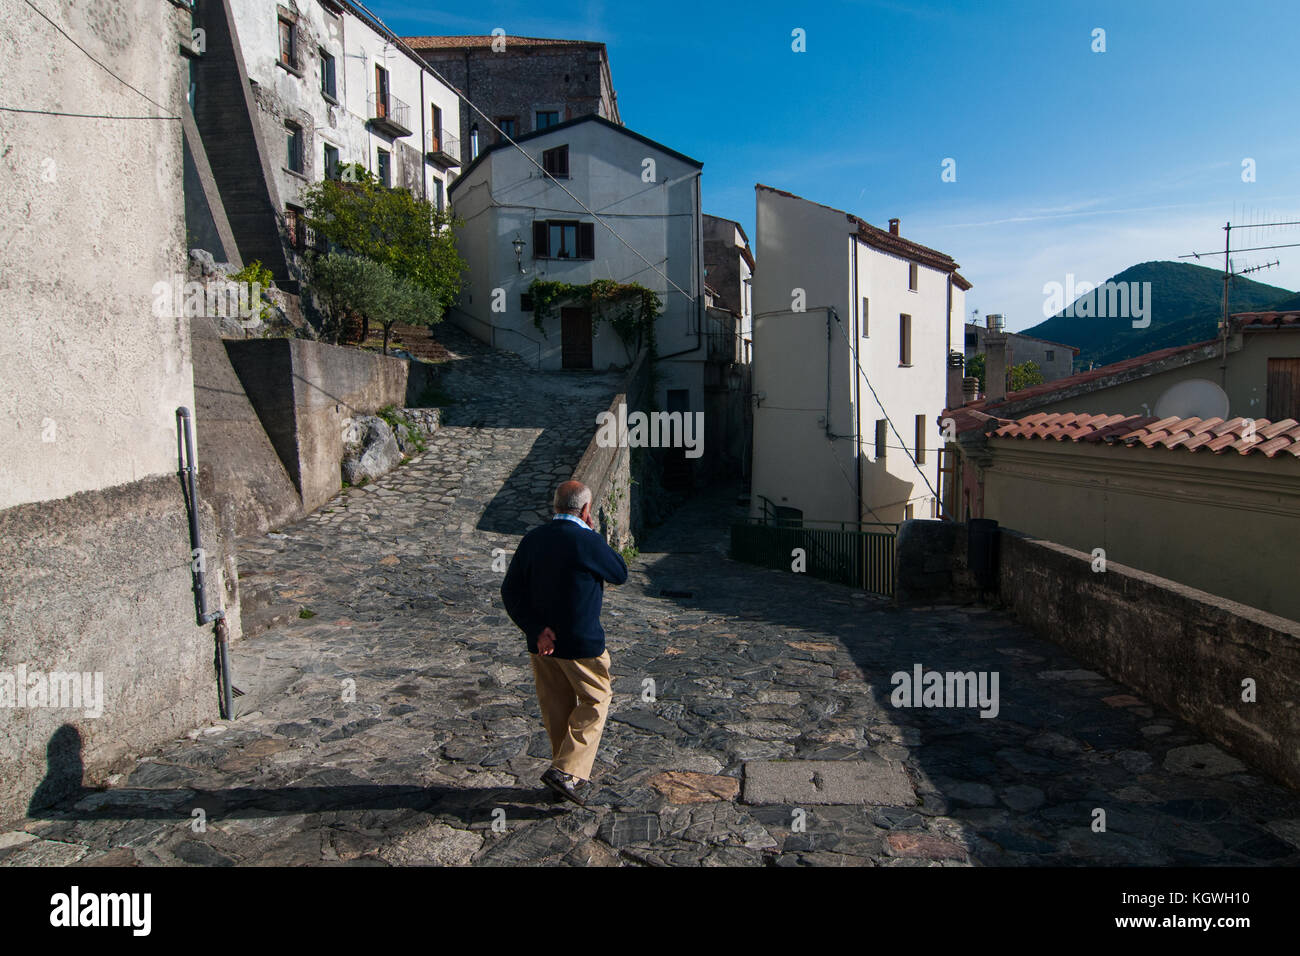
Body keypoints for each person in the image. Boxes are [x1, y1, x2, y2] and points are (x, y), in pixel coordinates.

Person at [500, 480, 628, 805]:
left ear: (555, 505)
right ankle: (565, 771)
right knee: (596, 701)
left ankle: (565, 777)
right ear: (585, 510)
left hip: (542, 644)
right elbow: (619, 572)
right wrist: (595, 534)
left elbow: (510, 590)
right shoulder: (586, 540)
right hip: (581, 643)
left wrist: (535, 628)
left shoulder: (533, 539)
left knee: (556, 707)